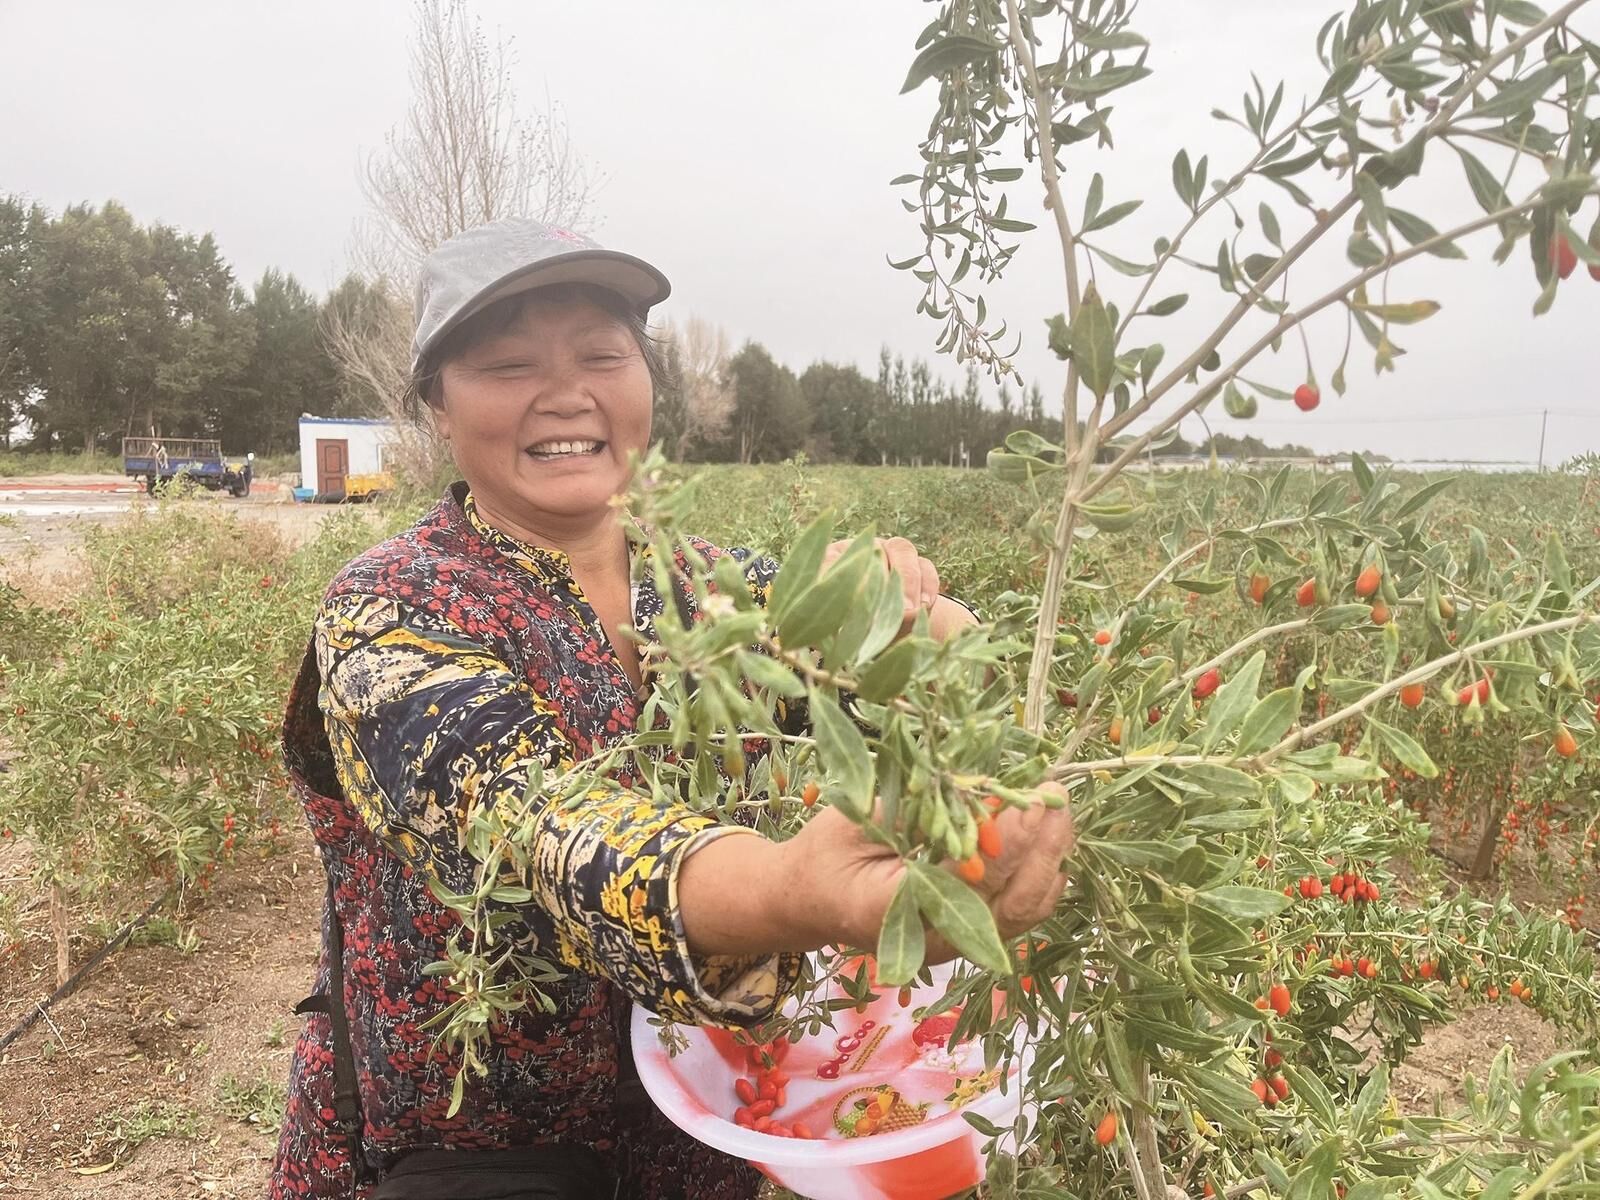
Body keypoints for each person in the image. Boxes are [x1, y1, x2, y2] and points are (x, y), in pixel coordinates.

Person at [268, 218, 1074, 1200]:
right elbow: (540, 826)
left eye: (602, 354)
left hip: (700, 1147)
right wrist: (791, 891)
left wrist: (922, 618)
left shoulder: (719, 593)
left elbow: (920, 668)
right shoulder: (391, 608)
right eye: (510, 364)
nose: (565, 393)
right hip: (471, 1161)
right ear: (438, 405)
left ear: (646, 381)